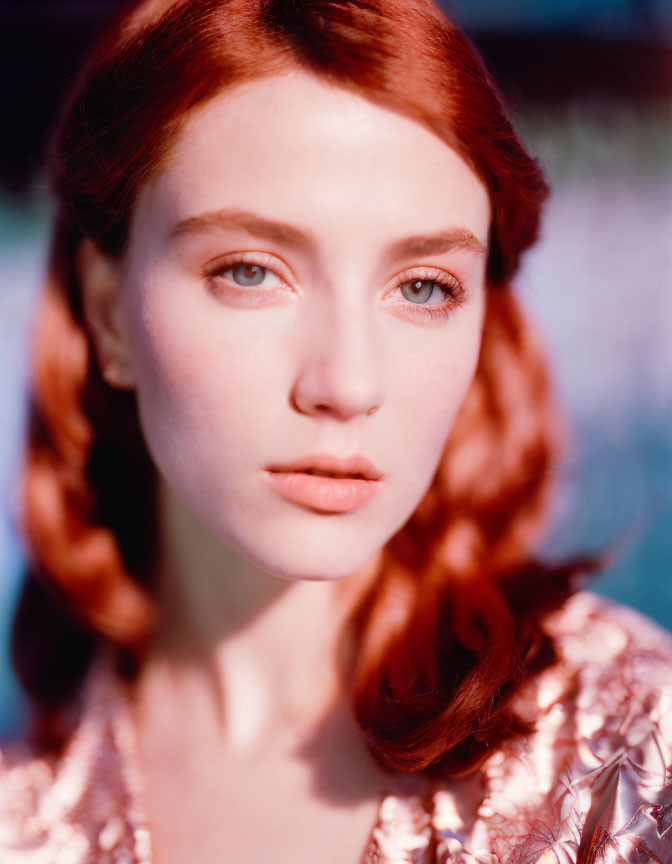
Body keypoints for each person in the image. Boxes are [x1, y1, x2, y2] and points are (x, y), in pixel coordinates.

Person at [2, 0, 671, 861]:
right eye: (251, 271)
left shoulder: (636, 763)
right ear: (107, 314)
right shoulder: (26, 816)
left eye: (424, 286)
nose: (348, 384)